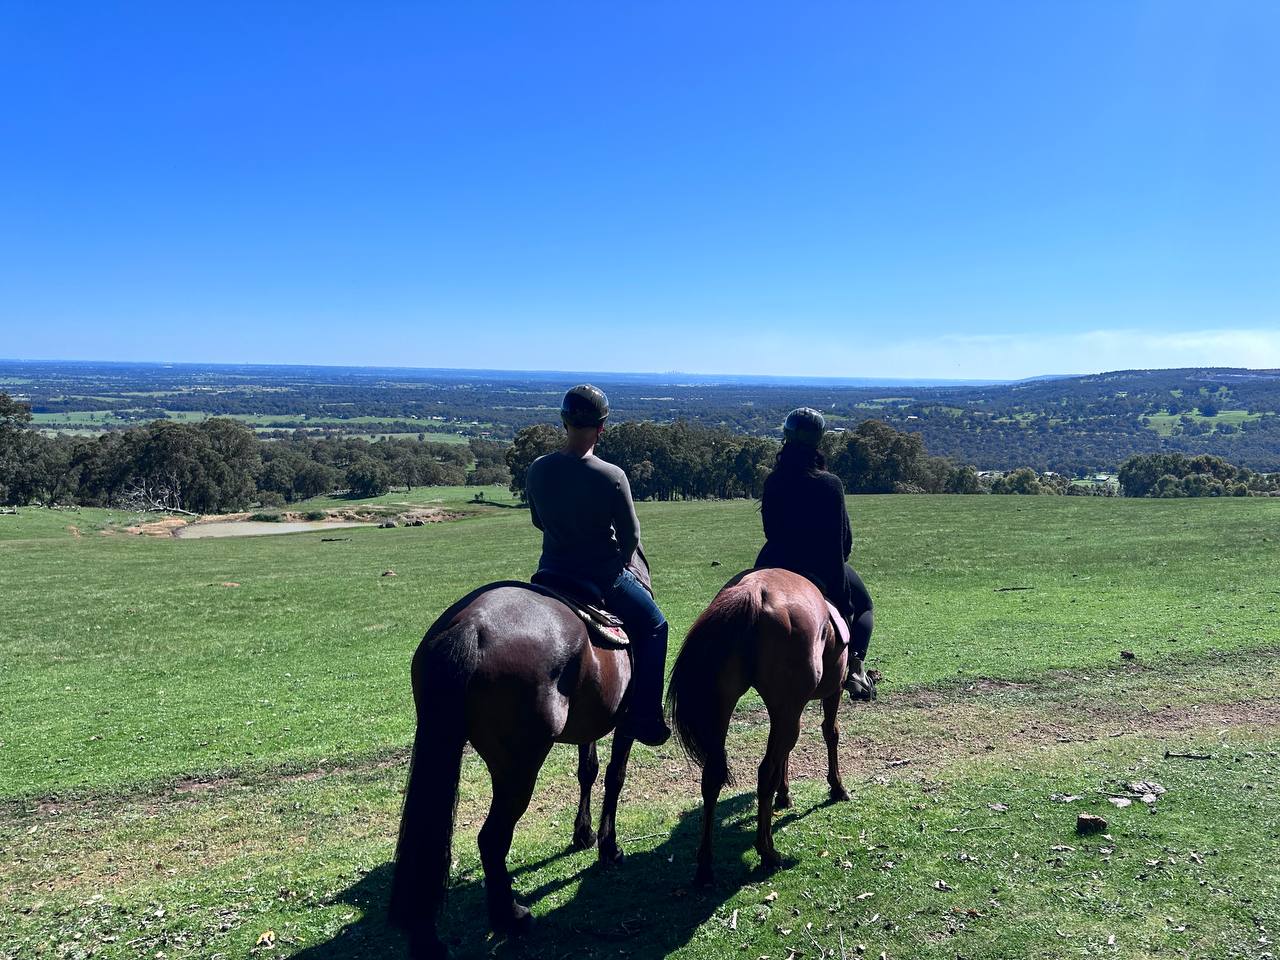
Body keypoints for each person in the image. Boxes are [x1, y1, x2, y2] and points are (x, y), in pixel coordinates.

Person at [525, 384, 672, 745]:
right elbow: (631, 536)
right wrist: (619, 564)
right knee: (656, 626)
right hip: (602, 577)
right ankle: (646, 716)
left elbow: (538, 522)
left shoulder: (538, 469)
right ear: (602, 427)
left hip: (550, 574)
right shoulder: (611, 475)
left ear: (564, 421)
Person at [755, 407, 876, 699]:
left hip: (775, 563)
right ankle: (856, 669)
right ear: (818, 441)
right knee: (865, 606)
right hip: (820, 566)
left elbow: (771, 531)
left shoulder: (774, 481)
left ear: (786, 436)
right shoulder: (831, 484)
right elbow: (844, 542)